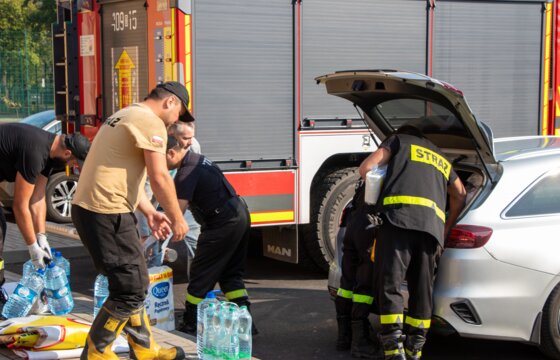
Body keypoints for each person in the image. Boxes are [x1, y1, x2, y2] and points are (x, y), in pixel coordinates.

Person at [71, 81, 192, 360]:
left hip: (96, 209)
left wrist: (149, 211)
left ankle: (144, 347)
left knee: (133, 281)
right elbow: (159, 175)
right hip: (107, 211)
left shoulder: (125, 114)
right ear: (169, 102)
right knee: (131, 288)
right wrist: (177, 218)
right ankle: (96, 351)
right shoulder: (151, 122)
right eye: (179, 114)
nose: (176, 122)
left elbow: (124, 174)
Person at [358, 125, 466, 360]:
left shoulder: (397, 142)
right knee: (421, 291)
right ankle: (415, 348)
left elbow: (366, 168)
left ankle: (394, 349)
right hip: (431, 231)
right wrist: (446, 227)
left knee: (391, 285)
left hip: (398, 222)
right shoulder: (440, 157)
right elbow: (460, 193)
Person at [163, 133, 254, 336]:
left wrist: (161, 229)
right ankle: (245, 324)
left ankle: (190, 322)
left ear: (171, 153)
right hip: (238, 214)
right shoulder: (197, 159)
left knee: (201, 273)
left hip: (222, 223)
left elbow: (178, 211)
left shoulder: (186, 172)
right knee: (230, 274)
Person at [0, 122, 90, 309]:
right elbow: (20, 205)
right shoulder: (35, 152)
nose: (72, 167)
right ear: (67, 154)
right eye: (73, 163)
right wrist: (32, 248)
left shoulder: (49, 153)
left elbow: (38, 198)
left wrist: (42, 238)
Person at [334, 179, 381, 359]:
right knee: (364, 284)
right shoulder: (396, 167)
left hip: (353, 222)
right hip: (370, 227)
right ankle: (360, 342)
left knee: (347, 282)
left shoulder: (375, 169)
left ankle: (344, 336)